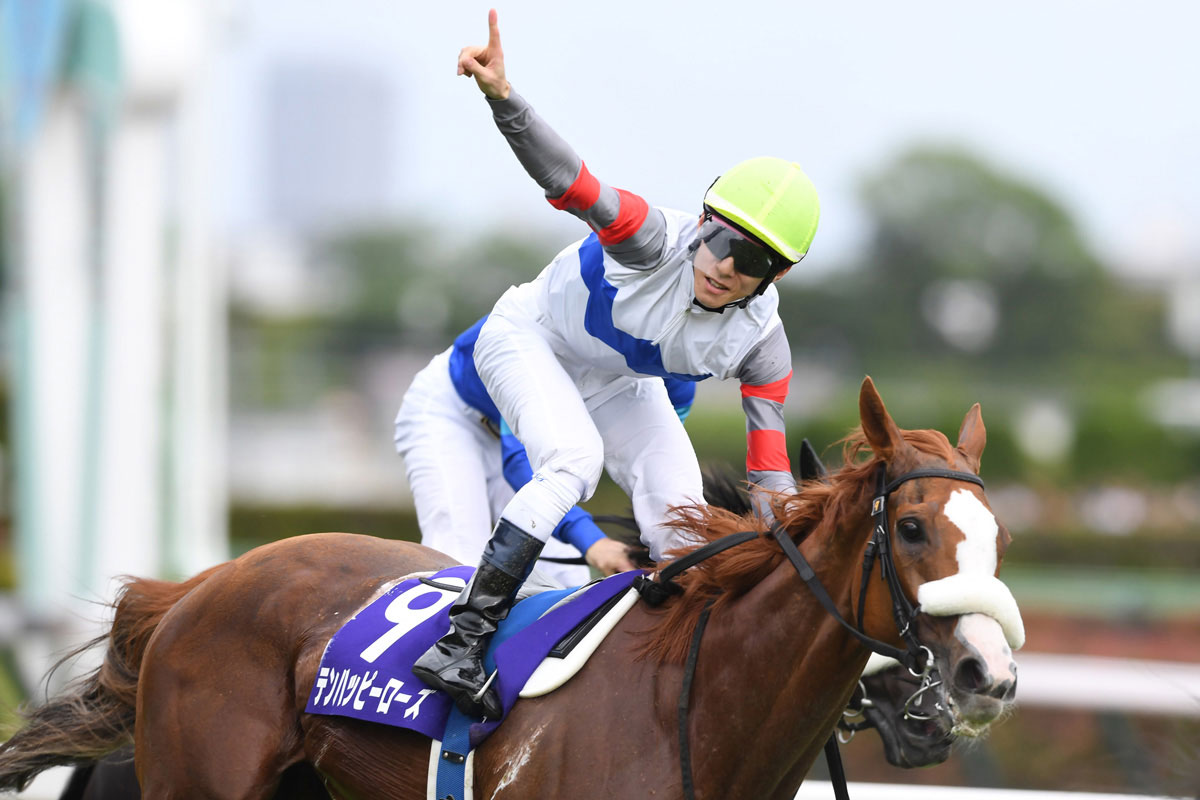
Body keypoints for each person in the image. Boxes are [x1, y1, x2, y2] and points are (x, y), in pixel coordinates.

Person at [413, 8, 820, 719]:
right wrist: (503, 97)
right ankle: (461, 641)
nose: (724, 266)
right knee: (574, 460)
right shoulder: (649, 238)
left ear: (776, 276)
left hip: (613, 379)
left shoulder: (763, 346)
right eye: (720, 241)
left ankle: (676, 666)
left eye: (751, 261)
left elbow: (770, 479)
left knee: (682, 509)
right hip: (528, 338)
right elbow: (570, 180)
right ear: (702, 222)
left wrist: (802, 561)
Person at [393, 314, 697, 586]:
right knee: (459, 561)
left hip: (515, 436)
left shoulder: (679, 382)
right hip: (451, 413)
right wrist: (593, 542)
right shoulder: (574, 335)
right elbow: (520, 464)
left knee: (568, 581)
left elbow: (649, 476)